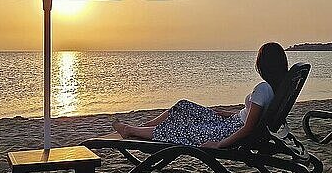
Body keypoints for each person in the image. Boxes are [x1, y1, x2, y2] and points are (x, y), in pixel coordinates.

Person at [112, 42, 288, 149]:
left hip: (229, 130)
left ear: (262, 65)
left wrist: (219, 144)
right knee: (183, 105)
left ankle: (130, 130)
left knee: (180, 130)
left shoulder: (263, 89)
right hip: (231, 122)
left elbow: (248, 128)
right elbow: (252, 117)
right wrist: (229, 114)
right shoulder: (275, 89)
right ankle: (145, 127)